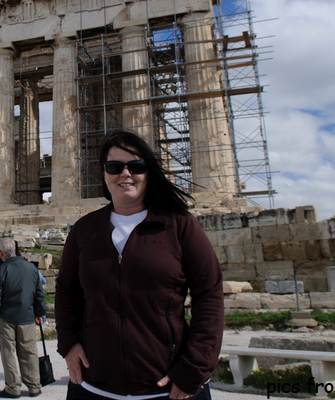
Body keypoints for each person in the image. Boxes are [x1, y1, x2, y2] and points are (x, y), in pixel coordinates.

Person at [55, 130, 224, 400]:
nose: (125, 174)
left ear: (149, 172)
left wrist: (195, 367)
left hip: (167, 390)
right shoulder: (85, 230)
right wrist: (68, 343)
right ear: (103, 173)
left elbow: (210, 293)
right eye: (114, 167)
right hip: (94, 387)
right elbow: (66, 291)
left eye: (136, 166)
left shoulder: (178, 224)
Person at [0, 237, 46, 399]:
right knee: (30, 351)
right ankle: (34, 386)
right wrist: (39, 313)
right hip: (27, 315)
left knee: (8, 352)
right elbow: (39, 294)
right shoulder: (31, 268)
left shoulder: (3, 270)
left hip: (5, 318)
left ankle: (13, 388)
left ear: (1, 253)